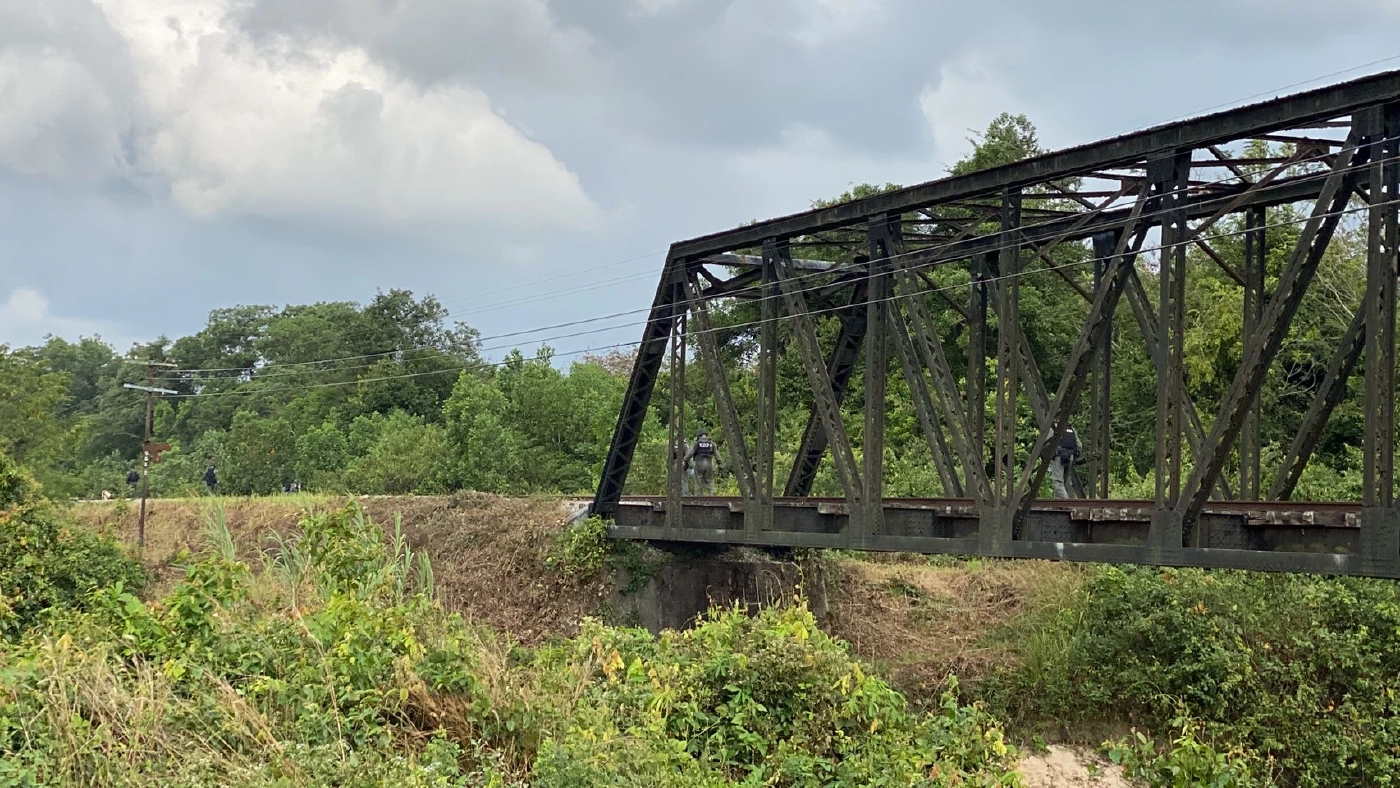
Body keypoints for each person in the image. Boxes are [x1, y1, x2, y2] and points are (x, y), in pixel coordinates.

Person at [1050, 422, 1082, 499]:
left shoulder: (1053, 429)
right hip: (1070, 458)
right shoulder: (1071, 429)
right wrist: (1074, 457)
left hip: (1059, 457)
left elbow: (1047, 444)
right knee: (1064, 481)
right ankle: (1058, 503)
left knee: (1057, 481)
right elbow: (1079, 446)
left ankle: (1067, 502)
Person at [684, 430, 719, 496]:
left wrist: (685, 460)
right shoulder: (711, 444)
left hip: (699, 464)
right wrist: (719, 462)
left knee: (698, 482)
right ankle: (712, 496)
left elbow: (690, 453)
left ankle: (698, 497)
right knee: (709, 481)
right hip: (709, 464)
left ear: (699, 436)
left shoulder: (697, 443)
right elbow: (717, 455)